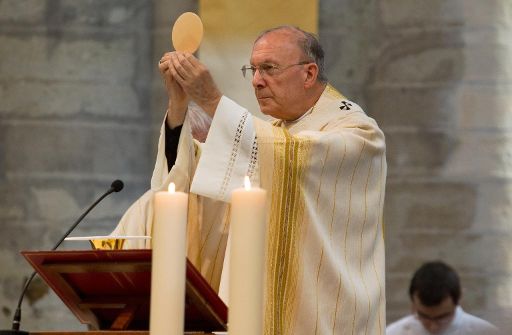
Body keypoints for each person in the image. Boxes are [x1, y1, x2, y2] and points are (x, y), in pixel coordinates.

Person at [112, 25, 387, 334]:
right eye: (253, 70)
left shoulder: (357, 133)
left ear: (309, 74)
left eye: (268, 69)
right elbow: (192, 183)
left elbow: (291, 159)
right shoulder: (276, 133)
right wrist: (179, 105)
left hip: (322, 316)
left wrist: (212, 99)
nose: (257, 81)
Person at [386, 261, 499, 335]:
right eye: (423, 316)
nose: (433, 327)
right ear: (413, 304)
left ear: (459, 299)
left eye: (442, 317)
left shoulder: (486, 332)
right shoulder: (393, 333)